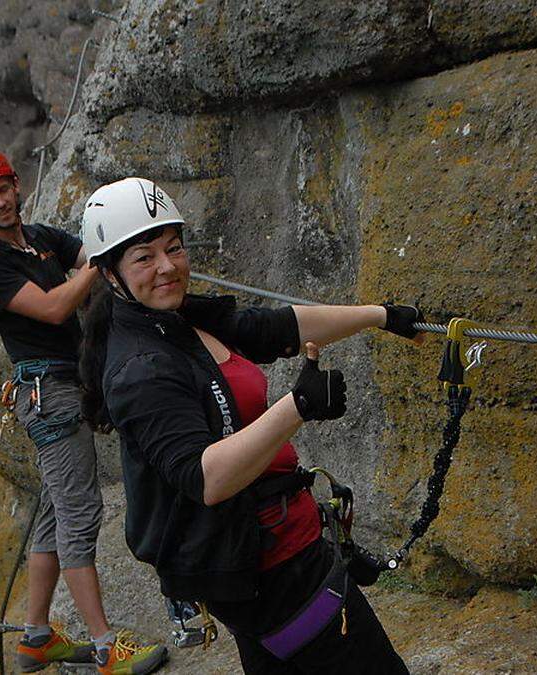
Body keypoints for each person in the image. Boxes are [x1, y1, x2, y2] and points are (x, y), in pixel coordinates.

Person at [77, 177, 424, 674]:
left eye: (174, 248)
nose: (167, 267)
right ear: (111, 274)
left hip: (274, 549)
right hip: (268, 566)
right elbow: (205, 477)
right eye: (144, 257)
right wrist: (296, 407)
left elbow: (278, 328)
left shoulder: (180, 318)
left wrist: (380, 316)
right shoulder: (141, 369)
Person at [0, 150, 167, 675]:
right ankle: (103, 647)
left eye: (4, 188)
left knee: (55, 513)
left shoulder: (43, 238)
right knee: (80, 513)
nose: (1, 200)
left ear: (16, 185)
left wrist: (123, 259)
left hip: (67, 383)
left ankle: (35, 638)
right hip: (47, 392)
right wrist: (102, 261)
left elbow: (92, 264)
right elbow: (55, 306)